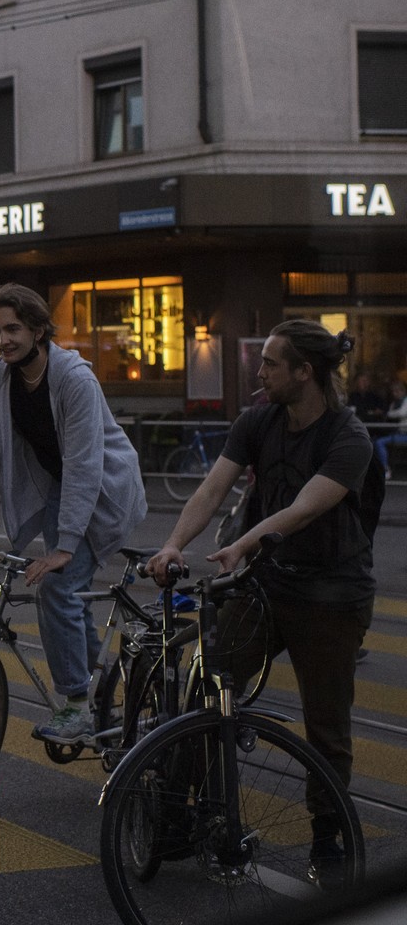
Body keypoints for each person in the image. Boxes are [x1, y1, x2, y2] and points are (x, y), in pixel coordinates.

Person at [147, 320, 374, 886]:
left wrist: (244, 542)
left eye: (272, 363)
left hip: (331, 594)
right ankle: (177, 811)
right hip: (267, 585)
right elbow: (212, 489)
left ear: (306, 372)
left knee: (326, 725)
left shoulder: (348, 437)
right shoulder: (258, 421)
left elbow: (304, 507)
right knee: (210, 684)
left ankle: (327, 839)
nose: (260, 371)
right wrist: (176, 542)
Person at [0, 282, 148, 744]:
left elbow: (84, 465)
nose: (3, 340)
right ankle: (102, 700)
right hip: (65, 489)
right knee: (68, 594)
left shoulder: (74, 379)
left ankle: (77, 706)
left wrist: (63, 547)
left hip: (104, 489)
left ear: (39, 329)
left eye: (13, 329)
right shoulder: (0, 377)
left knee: (58, 585)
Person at [373, 378, 407, 479]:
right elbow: (390, 414)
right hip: (396, 432)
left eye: (398, 391)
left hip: (404, 433)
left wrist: (390, 414)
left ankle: (386, 469)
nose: (395, 393)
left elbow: (401, 413)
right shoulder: (394, 403)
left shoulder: (405, 401)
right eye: (393, 391)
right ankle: (382, 467)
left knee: (380, 442)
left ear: (403, 391)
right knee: (376, 441)